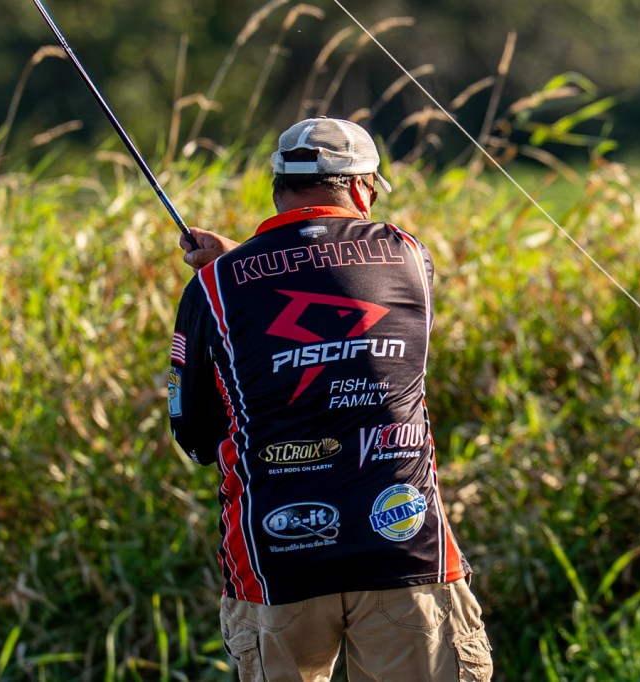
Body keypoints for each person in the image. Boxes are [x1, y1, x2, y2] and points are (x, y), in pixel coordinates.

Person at [167, 117, 492, 681]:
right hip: (406, 551)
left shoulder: (214, 286)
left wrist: (233, 266)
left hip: (275, 564)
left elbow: (194, 436)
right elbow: (332, 279)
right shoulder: (409, 256)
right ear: (363, 188)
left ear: (277, 188)